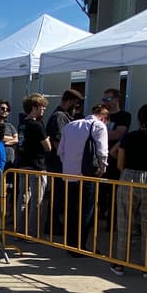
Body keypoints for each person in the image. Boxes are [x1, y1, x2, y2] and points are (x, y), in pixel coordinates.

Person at [110, 103, 147, 274]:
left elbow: (117, 157)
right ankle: (146, 265)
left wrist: (126, 168)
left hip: (129, 177)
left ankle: (120, 262)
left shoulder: (131, 136)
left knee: (124, 220)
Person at [57, 103, 109, 254]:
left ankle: (70, 244)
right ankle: (79, 246)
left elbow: (61, 151)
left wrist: (67, 166)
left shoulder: (70, 125)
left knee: (71, 210)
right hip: (86, 175)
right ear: (104, 117)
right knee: (85, 211)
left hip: (69, 174)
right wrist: (102, 169)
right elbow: (102, 151)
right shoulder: (99, 126)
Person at [15, 92, 51, 235]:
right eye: (42, 107)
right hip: (37, 167)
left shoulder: (22, 124)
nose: (44, 110)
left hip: (23, 165)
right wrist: (47, 137)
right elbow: (48, 147)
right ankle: (32, 232)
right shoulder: (37, 125)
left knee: (23, 199)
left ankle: (19, 230)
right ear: (35, 107)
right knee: (37, 201)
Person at [44, 89, 83, 174]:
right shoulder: (59, 117)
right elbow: (58, 141)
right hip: (58, 164)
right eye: (76, 106)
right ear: (69, 102)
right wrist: (67, 160)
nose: (77, 110)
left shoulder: (64, 116)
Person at [0, 101, 18, 166]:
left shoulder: (10, 126)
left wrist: (4, 142)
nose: (5, 111)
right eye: (2, 108)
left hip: (9, 161)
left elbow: (16, 140)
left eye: (7, 110)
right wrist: (11, 138)